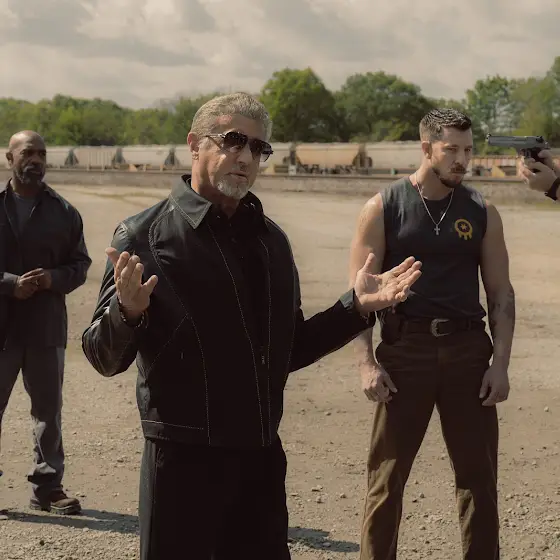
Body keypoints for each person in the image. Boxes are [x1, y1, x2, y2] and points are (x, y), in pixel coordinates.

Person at [81, 92, 422, 560]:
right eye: (233, 140)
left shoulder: (271, 242)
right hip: (181, 464)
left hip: (260, 461)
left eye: (258, 148)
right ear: (194, 144)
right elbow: (102, 356)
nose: (245, 157)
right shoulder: (143, 237)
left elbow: (289, 350)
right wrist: (128, 313)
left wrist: (355, 306)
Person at [348, 108, 515, 560]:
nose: (462, 160)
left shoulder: (482, 211)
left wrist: (500, 365)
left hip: (468, 352)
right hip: (406, 351)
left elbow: (500, 293)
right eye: (451, 149)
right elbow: (359, 296)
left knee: (478, 480)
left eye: (468, 149)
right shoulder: (383, 207)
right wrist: (366, 364)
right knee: (386, 481)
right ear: (426, 148)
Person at [0, 131, 91, 515]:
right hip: (2, 329)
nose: (36, 159)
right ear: (10, 158)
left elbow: (80, 265)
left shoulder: (64, 212)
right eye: (27, 153)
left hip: (45, 328)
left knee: (47, 413)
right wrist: (9, 284)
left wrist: (54, 278)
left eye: (41, 153)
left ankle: (47, 488)